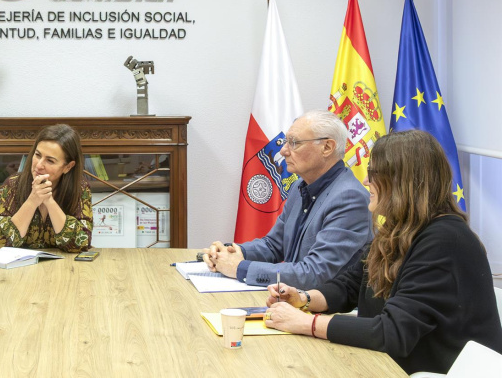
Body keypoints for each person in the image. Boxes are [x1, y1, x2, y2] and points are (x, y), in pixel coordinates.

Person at [264, 130, 502, 374]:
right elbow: (351, 285)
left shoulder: (445, 241)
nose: (366, 182)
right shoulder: (400, 227)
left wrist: (307, 323)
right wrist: (304, 298)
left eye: (373, 173)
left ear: (401, 180)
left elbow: (393, 332)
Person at [204, 110, 372, 288]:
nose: (283, 151)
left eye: (294, 143)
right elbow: (274, 245)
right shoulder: (299, 186)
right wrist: (230, 252)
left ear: (327, 147)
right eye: (286, 142)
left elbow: (315, 273)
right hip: (293, 301)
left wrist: (239, 267)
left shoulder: (349, 198)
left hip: (325, 309)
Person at [0, 124, 92, 252]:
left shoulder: (80, 188)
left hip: (64, 269)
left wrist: (49, 201)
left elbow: (81, 243)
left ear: (68, 167)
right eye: (38, 155)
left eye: (50, 161)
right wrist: (32, 201)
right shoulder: (13, 184)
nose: (39, 165)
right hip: (20, 269)